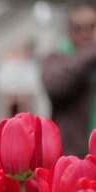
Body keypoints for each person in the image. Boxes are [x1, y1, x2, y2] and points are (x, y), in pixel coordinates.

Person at [42, 3, 96, 156]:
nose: (85, 33)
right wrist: (91, 52)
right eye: (78, 28)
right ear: (69, 31)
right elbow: (56, 86)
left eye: (91, 27)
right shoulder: (55, 60)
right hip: (72, 160)